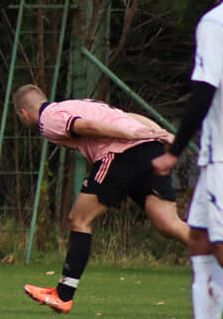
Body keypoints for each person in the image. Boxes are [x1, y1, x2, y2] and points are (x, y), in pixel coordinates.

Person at [14, 84, 189, 314]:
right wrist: (163, 133)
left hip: (120, 153)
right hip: (150, 150)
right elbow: (127, 116)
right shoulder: (75, 104)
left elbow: (88, 126)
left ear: (23, 113)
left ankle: (63, 295)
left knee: (79, 219)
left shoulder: (48, 120)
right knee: (170, 225)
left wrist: (128, 135)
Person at [151, 0, 223, 319]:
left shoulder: (215, 23)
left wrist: (175, 151)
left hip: (221, 157)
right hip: (215, 157)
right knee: (198, 238)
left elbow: (204, 92)